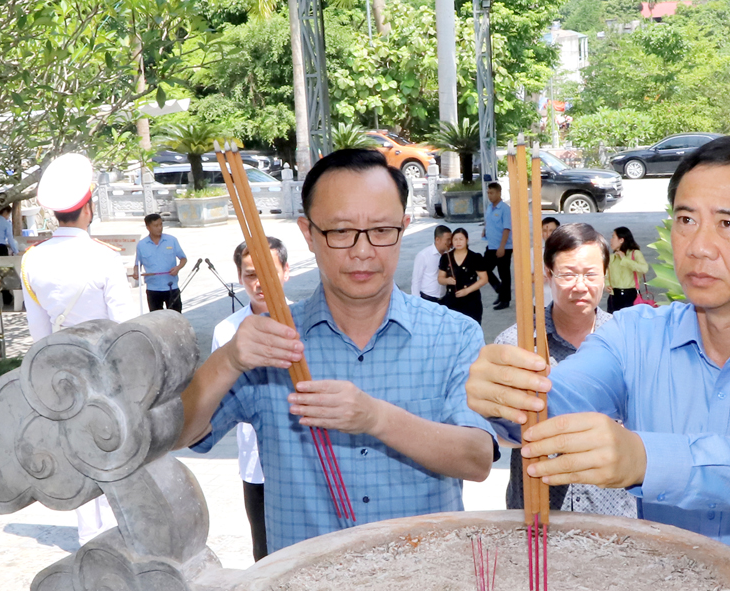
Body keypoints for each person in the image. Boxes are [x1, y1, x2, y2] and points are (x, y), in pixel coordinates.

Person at [466, 135, 730, 591]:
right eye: (685, 219)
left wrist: (644, 459)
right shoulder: (635, 334)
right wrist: (508, 395)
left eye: (727, 223)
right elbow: (559, 399)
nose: (698, 246)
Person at [175, 148, 495, 554]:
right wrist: (227, 361)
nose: (363, 251)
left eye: (381, 230)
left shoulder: (454, 335)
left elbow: (477, 458)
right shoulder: (270, 344)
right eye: (341, 232)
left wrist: (376, 417)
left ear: (405, 226)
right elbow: (180, 433)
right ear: (308, 234)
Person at [20, 152, 138, 546]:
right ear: (87, 206)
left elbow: (38, 333)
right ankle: (124, 530)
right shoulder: (104, 258)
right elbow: (126, 329)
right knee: (117, 451)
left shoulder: (32, 260)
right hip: (106, 370)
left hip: (60, 373)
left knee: (80, 450)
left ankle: (91, 537)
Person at [495, 222, 637, 518]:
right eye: (568, 274)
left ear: (605, 274)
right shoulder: (517, 343)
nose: (580, 285)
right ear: (548, 275)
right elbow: (496, 432)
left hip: (611, 512)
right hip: (540, 509)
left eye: (590, 274)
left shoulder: (628, 341)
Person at [211, 236, 291, 562]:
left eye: (269, 272)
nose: (260, 283)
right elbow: (220, 398)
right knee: (266, 551)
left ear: (286, 271)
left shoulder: (311, 323)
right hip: (256, 461)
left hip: (307, 457)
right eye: (250, 275)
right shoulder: (227, 332)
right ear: (240, 278)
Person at [134, 213, 188, 312]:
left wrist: (178, 268)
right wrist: (136, 273)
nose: (159, 228)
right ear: (148, 227)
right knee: (156, 320)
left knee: (175, 318)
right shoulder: (141, 245)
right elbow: (137, 264)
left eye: (161, 224)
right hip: (153, 289)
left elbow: (183, 259)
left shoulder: (171, 240)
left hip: (171, 287)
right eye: (156, 226)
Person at [438, 228, 488, 324]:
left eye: (461, 239)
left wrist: (467, 290)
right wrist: (447, 280)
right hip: (452, 299)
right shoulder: (446, 257)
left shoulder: (475, 257)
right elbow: (440, 279)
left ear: (467, 240)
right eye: (455, 239)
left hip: (471, 300)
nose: (458, 242)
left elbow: (484, 279)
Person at [482, 181, 512, 310]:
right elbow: (488, 221)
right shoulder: (490, 207)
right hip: (491, 245)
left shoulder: (505, 209)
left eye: (492, 193)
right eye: (488, 193)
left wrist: (502, 247)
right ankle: (499, 290)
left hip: (503, 247)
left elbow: (506, 228)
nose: (490, 195)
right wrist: (485, 229)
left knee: (503, 273)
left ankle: (505, 300)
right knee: (483, 268)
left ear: (499, 193)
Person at [605, 226, 649, 313]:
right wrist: (606, 285)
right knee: (614, 323)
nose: (611, 240)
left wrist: (625, 259)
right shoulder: (612, 257)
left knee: (631, 323)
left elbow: (644, 268)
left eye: (613, 237)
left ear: (621, 240)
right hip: (614, 296)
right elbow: (606, 274)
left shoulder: (635, 254)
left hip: (631, 295)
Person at [410, 224, 452, 304]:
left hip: (444, 299)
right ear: (437, 239)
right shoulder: (423, 255)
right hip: (427, 299)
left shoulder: (448, 256)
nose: (450, 242)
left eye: (451, 240)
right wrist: (416, 302)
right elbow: (416, 280)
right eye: (448, 240)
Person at [0, 203, 19, 307]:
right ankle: (7, 297)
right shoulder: (6, 223)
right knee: (4, 273)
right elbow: (10, 239)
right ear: (5, 212)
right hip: (1, 248)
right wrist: (15, 251)